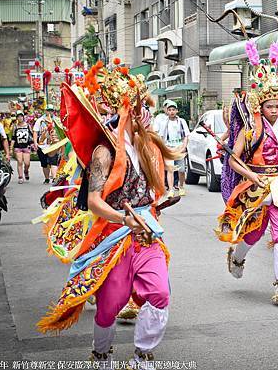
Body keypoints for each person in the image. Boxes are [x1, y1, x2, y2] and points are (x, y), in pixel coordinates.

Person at [37, 59, 181, 368]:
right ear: (126, 109)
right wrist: (124, 219)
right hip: (114, 235)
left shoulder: (148, 144)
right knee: (108, 306)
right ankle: (101, 352)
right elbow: (94, 202)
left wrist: (159, 207)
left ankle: (143, 354)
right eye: (140, 106)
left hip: (145, 234)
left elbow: (152, 193)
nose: (146, 112)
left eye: (145, 105)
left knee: (159, 293)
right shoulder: (104, 152)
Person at [216, 41, 278, 303]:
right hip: (255, 184)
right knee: (254, 231)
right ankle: (237, 256)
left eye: (277, 106)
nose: (273, 110)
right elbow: (233, 160)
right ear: (260, 106)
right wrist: (252, 177)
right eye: (269, 106)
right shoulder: (251, 127)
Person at [159, 100, 190, 197]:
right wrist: (163, 148)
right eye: (169, 110)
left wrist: (184, 147)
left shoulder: (181, 122)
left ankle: (181, 186)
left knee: (181, 170)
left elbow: (186, 136)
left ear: (177, 111)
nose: (171, 111)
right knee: (170, 169)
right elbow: (161, 137)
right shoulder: (164, 122)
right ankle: (171, 189)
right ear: (167, 111)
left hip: (179, 148)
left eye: (173, 109)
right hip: (168, 148)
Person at [33, 104, 61, 184]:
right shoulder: (40, 120)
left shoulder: (57, 120)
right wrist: (35, 142)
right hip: (42, 145)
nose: (50, 112)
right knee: (44, 164)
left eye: (51, 110)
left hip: (53, 145)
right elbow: (35, 131)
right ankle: (47, 178)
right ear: (45, 111)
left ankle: (55, 178)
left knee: (53, 162)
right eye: (48, 110)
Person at [10, 111, 33, 183]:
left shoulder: (28, 126)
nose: (20, 118)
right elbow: (13, 138)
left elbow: (31, 136)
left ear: (23, 117)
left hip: (26, 146)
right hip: (18, 147)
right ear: (16, 118)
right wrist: (11, 148)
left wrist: (33, 145)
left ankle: (26, 171)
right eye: (18, 117)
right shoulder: (15, 127)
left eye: (21, 116)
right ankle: (20, 177)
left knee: (27, 163)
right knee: (19, 162)